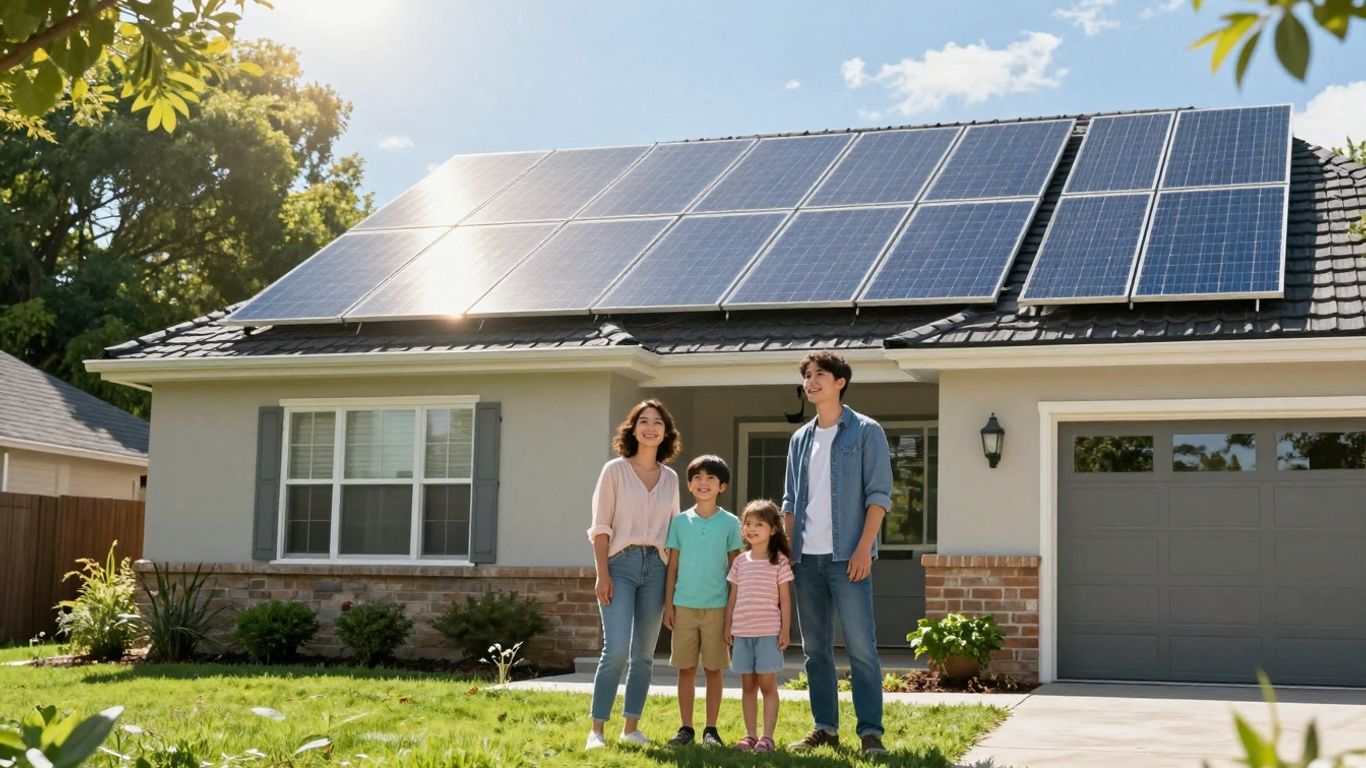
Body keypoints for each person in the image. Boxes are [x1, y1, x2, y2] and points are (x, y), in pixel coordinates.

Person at [782, 351, 892, 756]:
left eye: (819, 375)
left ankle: (870, 733)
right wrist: (787, 553)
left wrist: (863, 549)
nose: (811, 382)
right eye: (807, 376)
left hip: (849, 559)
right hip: (806, 560)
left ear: (840, 382)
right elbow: (790, 502)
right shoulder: (800, 439)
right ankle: (825, 727)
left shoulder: (866, 431)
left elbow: (879, 496)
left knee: (862, 648)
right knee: (815, 651)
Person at [585, 399, 681, 750]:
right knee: (616, 651)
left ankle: (631, 727)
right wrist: (602, 574)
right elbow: (600, 528)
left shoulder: (670, 479)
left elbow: (674, 537)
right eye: (644, 421)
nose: (651, 427)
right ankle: (596, 730)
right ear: (633, 428)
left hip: (656, 568)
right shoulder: (614, 471)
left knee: (643, 654)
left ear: (665, 433)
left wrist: (672, 591)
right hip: (620, 566)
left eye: (658, 422)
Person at [662, 455, 741, 748]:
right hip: (684, 606)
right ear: (689, 484)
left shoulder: (731, 523)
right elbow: (672, 568)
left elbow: (736, 571)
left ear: (722, 486)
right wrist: (668, 605)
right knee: (685, 668)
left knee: (713, 669)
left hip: (718, 607)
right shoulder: (680, 522)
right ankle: (686, 728)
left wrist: (732, 612)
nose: (703, 483)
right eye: (697, 477)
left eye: (711, 478)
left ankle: (711, 729)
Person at [724, 499, 794, 753]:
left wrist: (785, 630)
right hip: (742, 634)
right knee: (748, 686)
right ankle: (750, 735)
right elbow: (733, 597)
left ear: (773, 529)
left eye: (759, 524)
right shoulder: (740, 562)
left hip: (768, 634)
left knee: (767, 685)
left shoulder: (780, 562)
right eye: (748, 524)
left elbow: (785, 599)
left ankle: (767, 737)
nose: (751, 529)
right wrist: (727, 625)